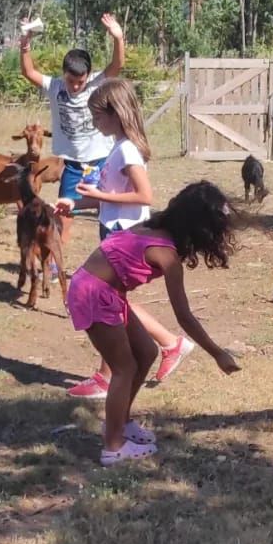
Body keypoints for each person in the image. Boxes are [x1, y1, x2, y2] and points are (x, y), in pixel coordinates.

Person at [64, 180, 242, 465]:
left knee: (146, 352)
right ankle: (113, 446)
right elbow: (183, 316)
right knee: (124, 368)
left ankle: (120, 422)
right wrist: (217, 353)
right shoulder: (167, 256)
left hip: (103, 290)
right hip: (93, 292)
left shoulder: (152, 227)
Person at [65, 77, 196, 399]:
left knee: (109, 303)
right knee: (112, 302)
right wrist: (75, 203)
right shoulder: (119, 148)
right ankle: (164, 346)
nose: (94, 123)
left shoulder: (127, 152)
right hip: (114, 229)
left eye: (98, 117)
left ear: (116, 113)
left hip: (124, 233)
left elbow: (144, 195)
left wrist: (97, 193)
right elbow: (111, 195)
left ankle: (114, 373)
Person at [17, 12, 126, 253]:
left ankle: (111, 254)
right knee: (65, 212)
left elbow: (117, 65)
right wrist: (25, 46)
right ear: (63, 74)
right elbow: (29, 72)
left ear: (89, 75)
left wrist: (118, 38)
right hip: (73, 166)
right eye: (70, 81)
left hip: (101, 161)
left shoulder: (97, 83)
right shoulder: (55, 87)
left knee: (106, 208)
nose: (75, 86)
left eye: (80, 82)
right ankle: (56, 260)